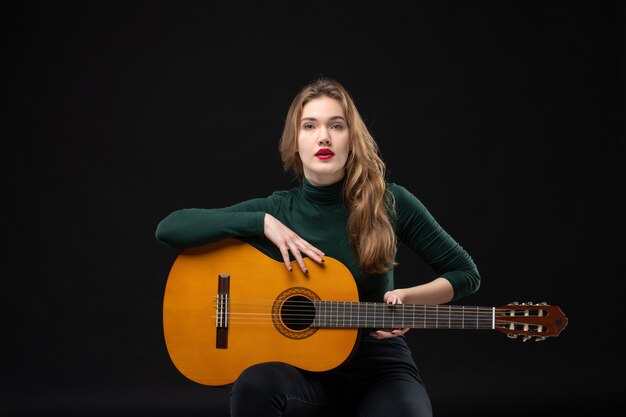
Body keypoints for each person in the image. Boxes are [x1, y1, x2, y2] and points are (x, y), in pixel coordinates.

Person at [155, 77, 480, 417]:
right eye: (309, 126)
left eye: (336, 126)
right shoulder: (278, 210)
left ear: (351, 139)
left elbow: (466, 274)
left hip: (379, 365)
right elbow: (171, 228)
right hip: (302, 371)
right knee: (254, 385)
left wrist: (410, 298)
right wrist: (261, 222)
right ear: (294, 141)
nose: (324, 136)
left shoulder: (390, 202)